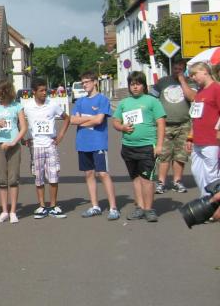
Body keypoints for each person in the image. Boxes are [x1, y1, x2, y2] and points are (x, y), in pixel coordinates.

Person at [112, 71, 166, 222]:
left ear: (144, 85)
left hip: (147, 146)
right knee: (135, 178)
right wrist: (122, 127)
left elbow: (161, 122)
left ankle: (149, 209)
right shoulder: (124, 103)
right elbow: (115, 121)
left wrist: (159, 145)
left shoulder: (152, 101)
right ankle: (140, 208)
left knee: (146, 179)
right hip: (128, 146)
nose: (135, 87)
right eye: (132, 84)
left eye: (138, 84)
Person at [70, 71, 119, 220]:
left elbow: (99, 120)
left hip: (98, 142)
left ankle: (113, 208)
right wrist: (90, 119)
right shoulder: (80, 101)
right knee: (89, 174)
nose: (84, 85)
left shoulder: (102, 99)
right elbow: (73, 120)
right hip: (83, 143)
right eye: (82, 83)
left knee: (103, 173)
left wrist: (83, 120)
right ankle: (95, 206)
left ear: (95, 82)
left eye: (87, 82)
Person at [23, 78, 70, 219]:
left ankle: (54, 206)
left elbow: (66, 118)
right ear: (34, 92)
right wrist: (24, 137)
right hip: (35, 145)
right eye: (41, 91)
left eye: (45, 90)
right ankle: (42, 206)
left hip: (50, 145)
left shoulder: (52, 104)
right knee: (39, 177)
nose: (44, 93)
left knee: (53, 175)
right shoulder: (27, 106)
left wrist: (60, 136)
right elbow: (19, 120)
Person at [0, 80, 27, 226]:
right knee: (2, 179)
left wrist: (13, 142)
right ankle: (4, 211)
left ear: (7, 92)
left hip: (13, 143)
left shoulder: (17, 106)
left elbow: (23, 127)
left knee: (13, 178)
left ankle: (13, 211)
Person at [150, 59, 191, 194]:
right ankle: (161, 182)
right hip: (165, 124)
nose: (177, 71)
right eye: (175, 69)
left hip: (184, 123)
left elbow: (192, 98)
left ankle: (177, 181)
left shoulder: (189, 82)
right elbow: (151, 98)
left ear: (184, 70)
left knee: (180, 155)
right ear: (171, 68)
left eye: (180, 69)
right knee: (164, 154)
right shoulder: (162, 82)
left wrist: (183, 81)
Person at [180, 61, 220, 196]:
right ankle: (206, 200)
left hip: (212, 140)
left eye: (194, 74)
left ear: (205, 71)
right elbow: (195, 117)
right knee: (197, 172)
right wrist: (190, 137)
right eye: (190, 75)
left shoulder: (216, 89)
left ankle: (215, 202)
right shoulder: (200, 92)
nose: (192, 78)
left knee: (211, 174)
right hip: (198, 140)